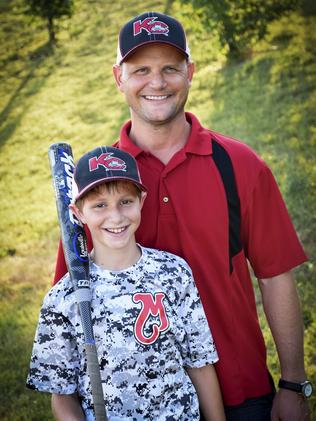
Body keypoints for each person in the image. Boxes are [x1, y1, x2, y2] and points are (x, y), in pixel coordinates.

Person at [53, 11, 312, 421]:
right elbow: (72, 305)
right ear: (119, 77)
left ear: (189, 72)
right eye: (141, 70)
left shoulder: (239, 164)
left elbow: (275, 274)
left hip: (241, 393)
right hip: (140, 406)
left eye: (170, 68)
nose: (157, 83)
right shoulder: (99, 189)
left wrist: (295, 382)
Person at [27, 146, 225, 420]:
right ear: (78, 212)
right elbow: (62, 396)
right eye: (99, 205)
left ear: (141, 200)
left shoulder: (174, 273)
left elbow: (200, 364)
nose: (116, 217)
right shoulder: (63, 299)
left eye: (125, 201)